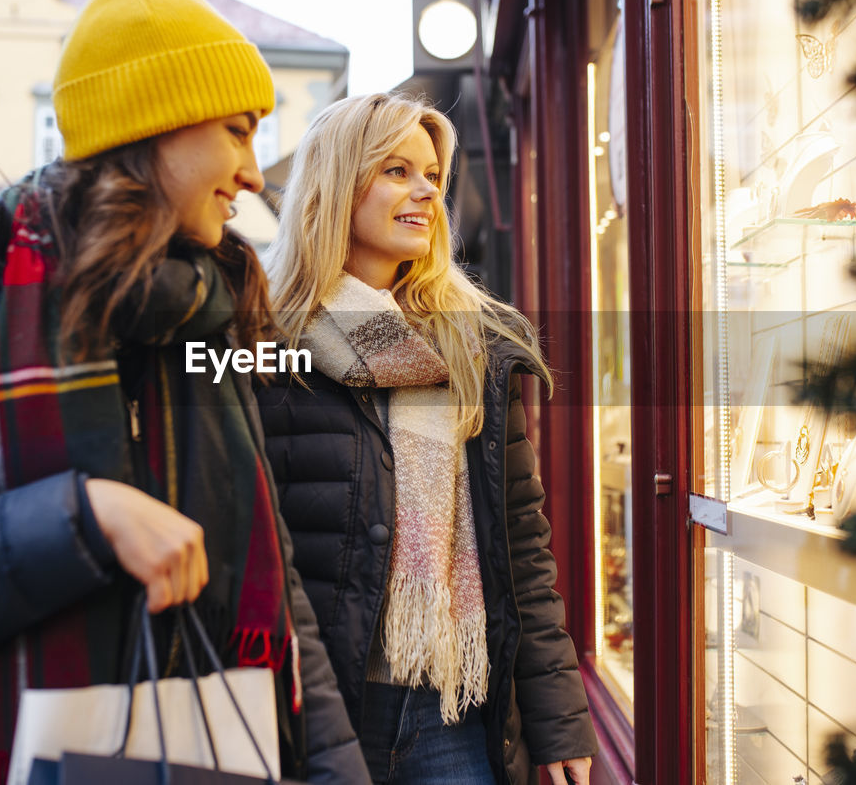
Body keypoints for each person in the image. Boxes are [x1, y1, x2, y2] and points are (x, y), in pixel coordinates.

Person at [0, 0, 367, 785]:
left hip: (216, 755)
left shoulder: (212, 316)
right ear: (152, 124)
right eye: (236, 130)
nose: (251, 172)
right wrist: (76, 521)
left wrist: (338, 771)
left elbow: (278, 592)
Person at [257, 93, 599, 785]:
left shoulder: (472, 347)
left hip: (452, 711)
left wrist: (558, 715)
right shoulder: (264, 344)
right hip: (318, 713)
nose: (425, 193)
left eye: (432, 177)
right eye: (396, 171)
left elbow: (521, 548)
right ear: (338, 183)